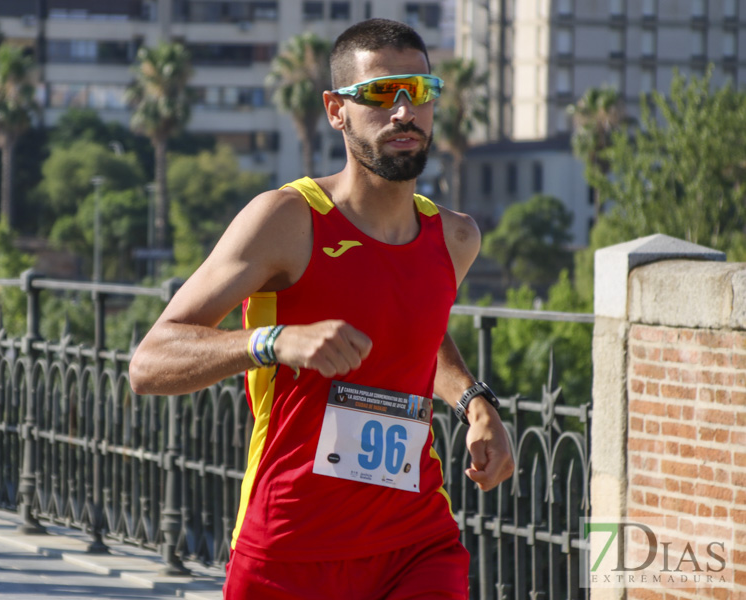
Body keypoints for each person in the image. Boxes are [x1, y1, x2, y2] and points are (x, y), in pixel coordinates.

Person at [128, 19, 514, 599]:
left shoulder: (454, 237)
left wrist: (474, 401)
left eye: (420, 92)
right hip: (289, 549)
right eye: (381, 94)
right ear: (336, 110)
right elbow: (149, 362)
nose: (404, 112)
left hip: (417, 542)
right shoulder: (286, 220)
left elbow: (418, 332)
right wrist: (273, 341)